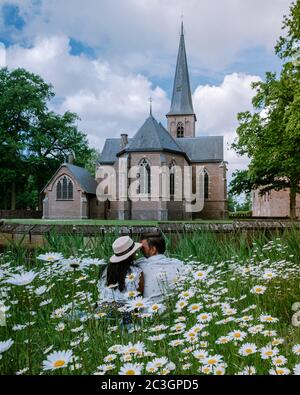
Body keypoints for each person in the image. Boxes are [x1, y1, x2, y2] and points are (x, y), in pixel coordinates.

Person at [97, 236, 144, 326]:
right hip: (124, 312)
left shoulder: (105, 269)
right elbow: (138, 297)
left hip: (101, 310)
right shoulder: (136, 272)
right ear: (132, 254)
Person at [137, 232, 185, 304]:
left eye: (142, 248)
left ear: (153, 250)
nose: (141, 250)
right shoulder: (179, 264)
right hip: (175, 310)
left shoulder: (141, 266)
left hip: (149, 313)